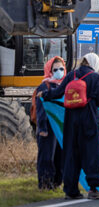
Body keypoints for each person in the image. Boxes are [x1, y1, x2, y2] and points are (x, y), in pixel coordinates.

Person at [42, 53, 99, 200]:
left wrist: (44, 94)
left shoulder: (71, 75)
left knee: (71, 154)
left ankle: (71, 190)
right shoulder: (96, 78)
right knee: (91, 154)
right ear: (94, 64)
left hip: (71, 120)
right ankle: (93, 189)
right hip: (89, 120)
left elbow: (57, 93)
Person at [34, 56, 65, 190]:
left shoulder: (63, 86)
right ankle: (45, 183)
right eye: (55, 69)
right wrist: (42, 128)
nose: (59, 72)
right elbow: (40, 109)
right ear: (49, 71)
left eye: (61, 69)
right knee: (47, 156)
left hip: (60, 127)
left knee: (60, 156)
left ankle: (57, 182)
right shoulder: (44, 86)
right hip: (48, 126)